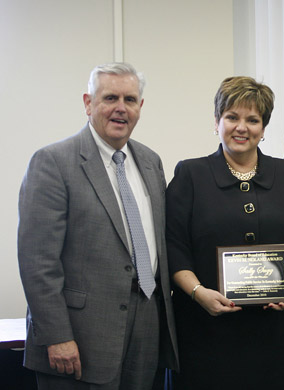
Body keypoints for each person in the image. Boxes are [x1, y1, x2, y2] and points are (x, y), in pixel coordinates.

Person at [17, 63, 178, 389]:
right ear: (88, 103)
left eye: (130, 100)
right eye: (110, 98)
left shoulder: (151, 161)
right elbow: (37, 262)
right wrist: (56, 335)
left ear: (140, 108)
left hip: (147, 327)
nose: (121, 108)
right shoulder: (53, 162)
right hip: (79, 334)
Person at [165, 76, 284, 389]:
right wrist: (199, 293)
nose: (242, 127)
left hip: (273, 332)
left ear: (264, 128)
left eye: (252, 120)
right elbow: (173, 245)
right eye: (232, 117)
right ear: (217, 122)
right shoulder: (191, 174)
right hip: (205, 329)